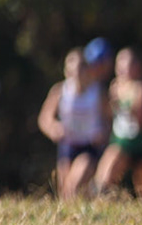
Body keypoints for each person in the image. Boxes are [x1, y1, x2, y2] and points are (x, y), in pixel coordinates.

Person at [38, 43, 109, 199]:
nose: (77, 73)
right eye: (72, 68)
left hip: (90, 145)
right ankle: (78, 218)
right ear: (66, 70)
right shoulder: (60, 91)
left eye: (81, 67)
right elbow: (44, 118)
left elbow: (109, 119)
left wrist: (103, 132)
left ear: (87, 69)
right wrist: (53, 128)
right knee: (66, 193)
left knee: (74, 184)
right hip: (68, 144)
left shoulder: (98, 92)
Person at [96, 47, 142, 200]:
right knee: (105, 176)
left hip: (138, 142)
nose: (122, 69)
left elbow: (141, 120)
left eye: (127, 64)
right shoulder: (115, 86)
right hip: (120, 141)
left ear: (137, 66)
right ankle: (101, 203)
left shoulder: (141, 87)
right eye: (120, 64)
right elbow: (109, 115)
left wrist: (124, 104)